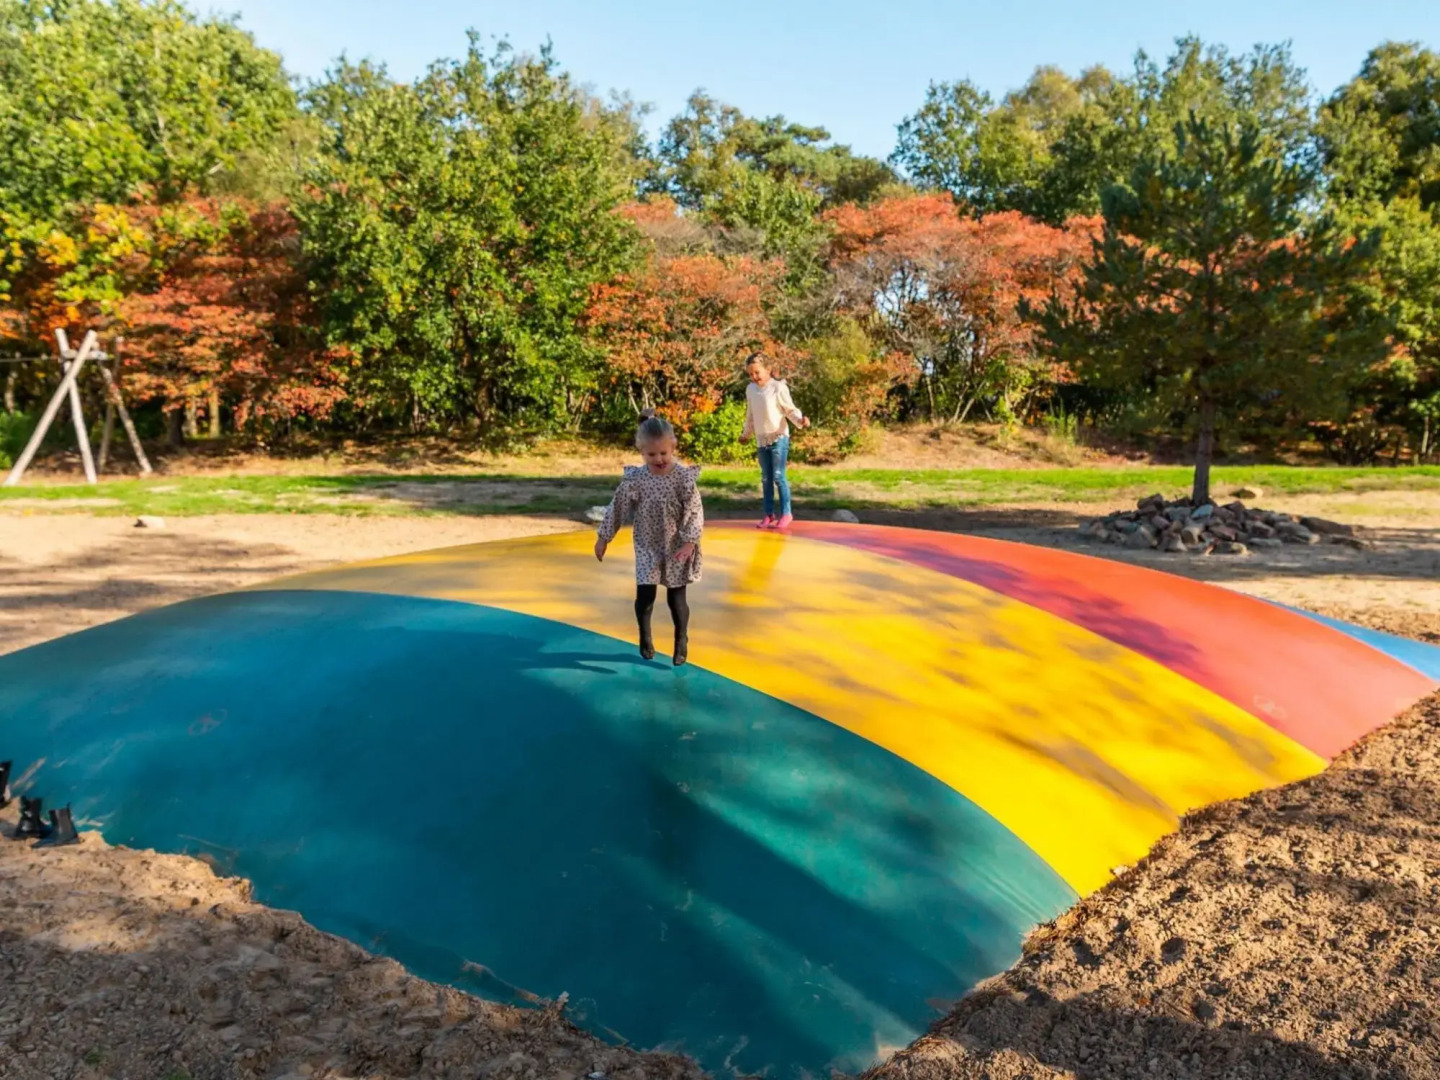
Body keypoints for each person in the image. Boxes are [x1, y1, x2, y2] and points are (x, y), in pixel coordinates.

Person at [594, 411, 704, 667]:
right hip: (647, 544)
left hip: (677, 545)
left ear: (673, 447)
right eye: (652, 455)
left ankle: (681, 639)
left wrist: (690, 541)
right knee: (645, 595)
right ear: (641, 452)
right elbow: (617, 507)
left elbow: (695, 509)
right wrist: (604, 537)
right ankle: (645, 636)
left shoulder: (683, 478)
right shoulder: (636, 480)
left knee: (676, 598)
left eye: (664, 453)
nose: (659, 459)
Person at [740, 352, 809, 530]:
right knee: (765, 478)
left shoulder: (778, 387)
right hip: (762, 439)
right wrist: (746, 434)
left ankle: (786, 513)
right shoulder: (751, 390)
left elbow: (790, 410)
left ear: (768, 369)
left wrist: (800, 421)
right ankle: (768, 514)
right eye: (751, 374)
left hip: (778, 436)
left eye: (757, 372)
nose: (754, 377)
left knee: (779, 476)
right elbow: (751, 415)